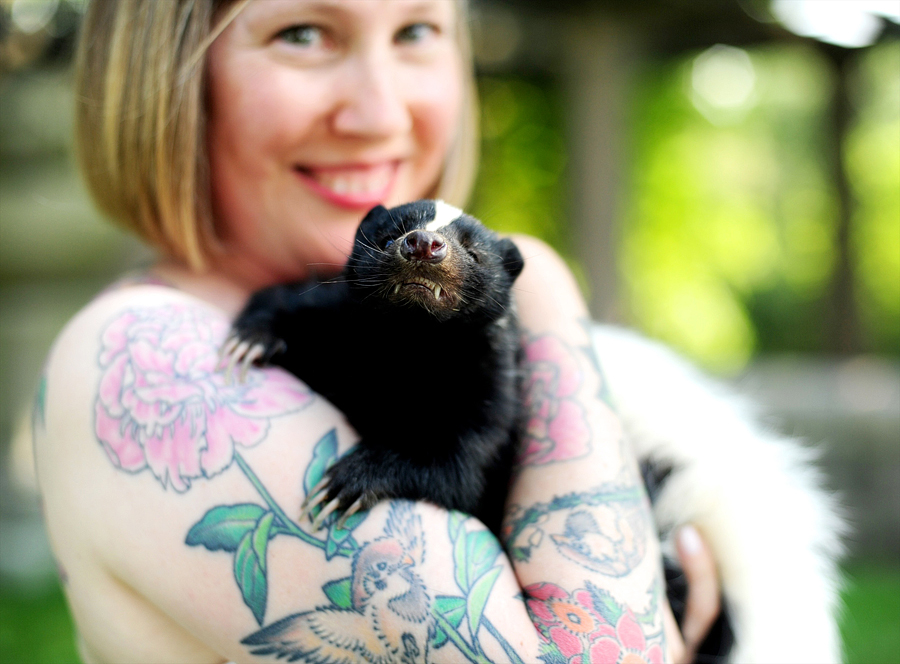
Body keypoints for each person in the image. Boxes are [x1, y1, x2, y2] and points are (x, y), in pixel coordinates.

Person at [35, 1, 722, 662]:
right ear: (166, 67)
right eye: (302, 33)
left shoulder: (411, 340)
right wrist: (544, 283)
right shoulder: (148, 361)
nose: (379, 110)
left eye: (417, 30)